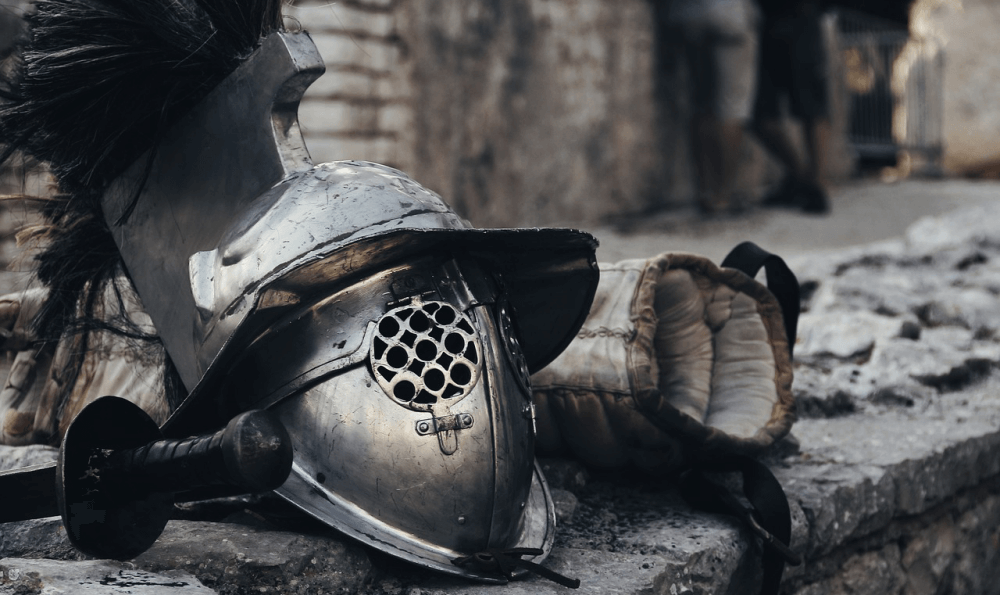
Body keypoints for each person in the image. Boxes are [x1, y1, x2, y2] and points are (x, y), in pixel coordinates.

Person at [664, 0, 760, 215]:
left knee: (701, 104)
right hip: (728, 14)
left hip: (687, 14)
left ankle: (705, 193)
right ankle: (723, 196)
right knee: (732, 107)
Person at [752, 0, 832, 213]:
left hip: (803, 17)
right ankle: (803, 179)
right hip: (768, 22)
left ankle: (817, 186)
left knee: (812, 108)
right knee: (759, 116)